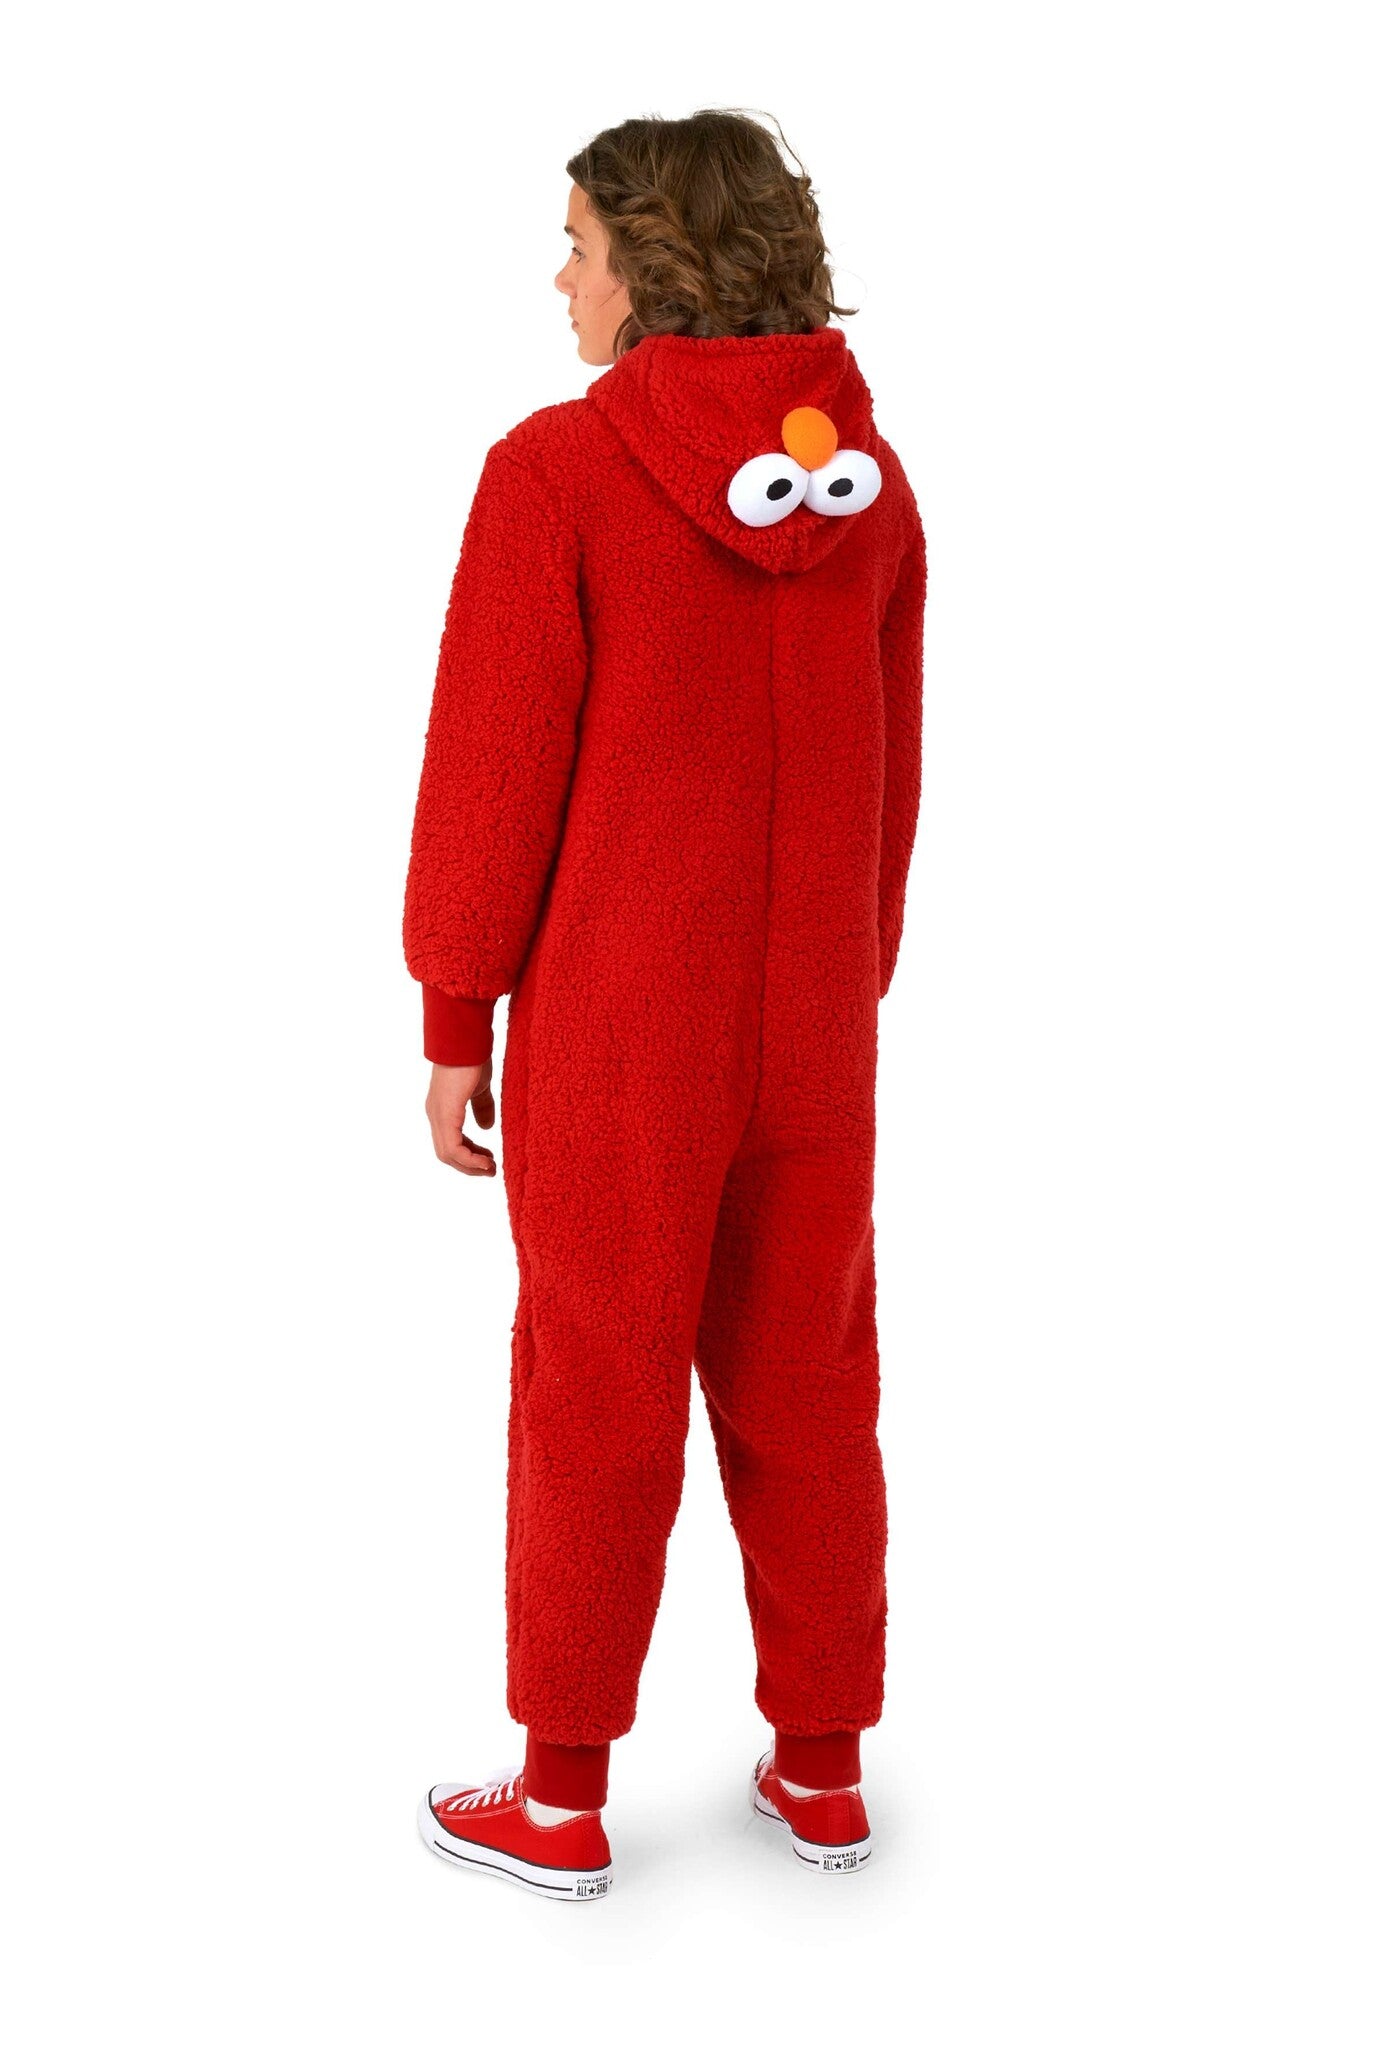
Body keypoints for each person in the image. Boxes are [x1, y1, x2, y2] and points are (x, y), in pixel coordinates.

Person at [403, 109, 927, 1901]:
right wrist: (850, 979)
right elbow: (896, 780)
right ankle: (825, 1769)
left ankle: (560, 1800)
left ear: (655, 267)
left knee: (595, 1387)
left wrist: (456, 1014)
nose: (559, 278)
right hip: (816, 1029)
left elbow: (492, 773)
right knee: (813, 1383)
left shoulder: (555, 472)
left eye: (579, 245)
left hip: (625, 1029)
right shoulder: (870, 487)